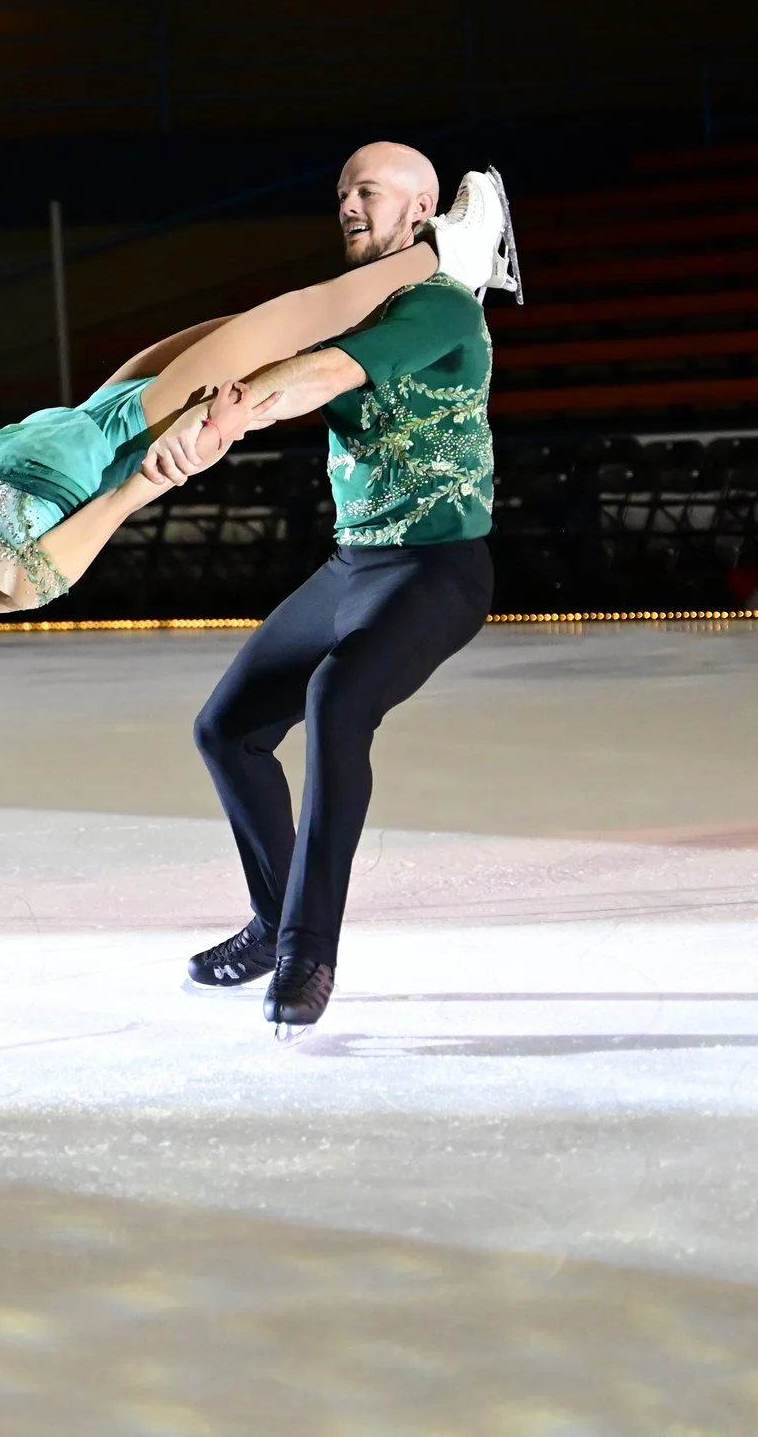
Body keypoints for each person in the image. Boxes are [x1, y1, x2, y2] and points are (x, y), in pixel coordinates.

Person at [0, 145, 513, 781]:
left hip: (97, 403)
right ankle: (452, 252)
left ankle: (442, 258)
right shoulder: (19, 582)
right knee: (302, 316)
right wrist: (197, 434)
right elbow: (130, 494)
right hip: (137, 428)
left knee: (266, 320)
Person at [177, 154, 516, 1033]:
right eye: (339, 194)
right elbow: (286, 371)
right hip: (354, 565)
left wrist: (249, 399)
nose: (348, 205)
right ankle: (270, 918)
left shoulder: (436, 307)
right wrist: (210, 421)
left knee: (338, 695)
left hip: (437, 569)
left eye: (368, 191)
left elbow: (325, 376)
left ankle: (307, 950)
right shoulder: (349, 306)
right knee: (228, 730)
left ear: (422, 209)